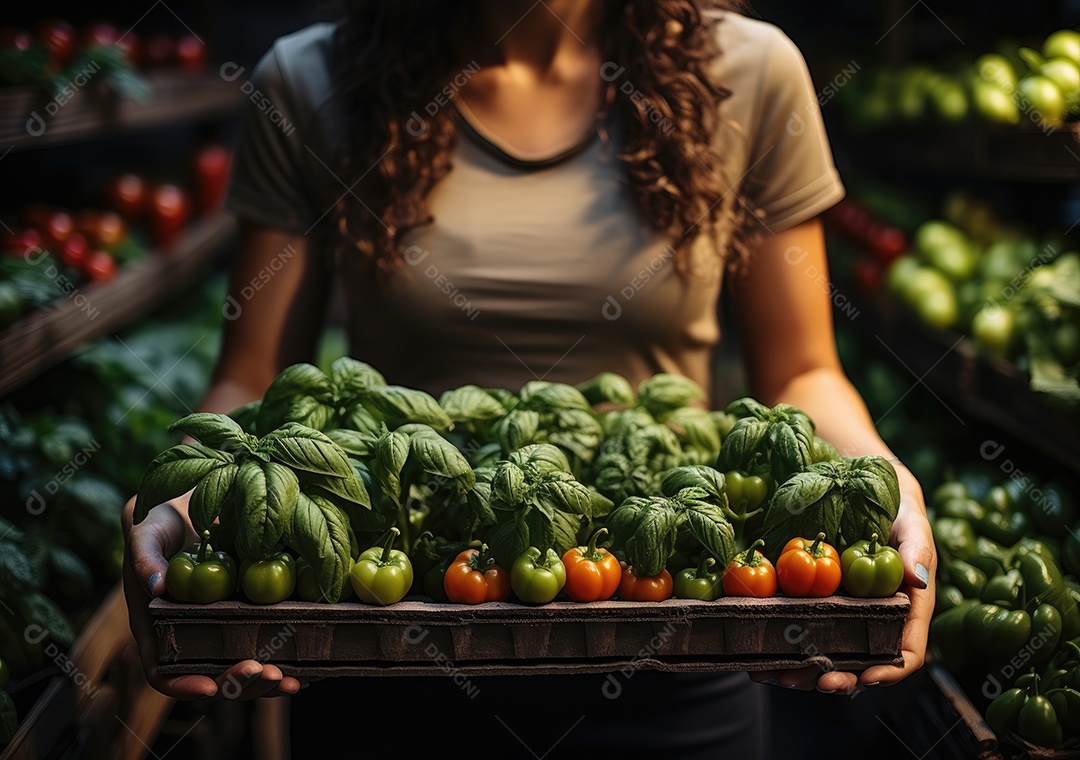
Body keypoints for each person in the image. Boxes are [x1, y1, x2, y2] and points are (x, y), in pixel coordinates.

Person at [123, 1, 936, 757]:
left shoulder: (751, 73)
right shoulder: (308, 82)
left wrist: (883, 479)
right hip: (384, 652)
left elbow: (802, 370)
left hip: (671, 648)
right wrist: (186, 503)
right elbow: (253, 383)